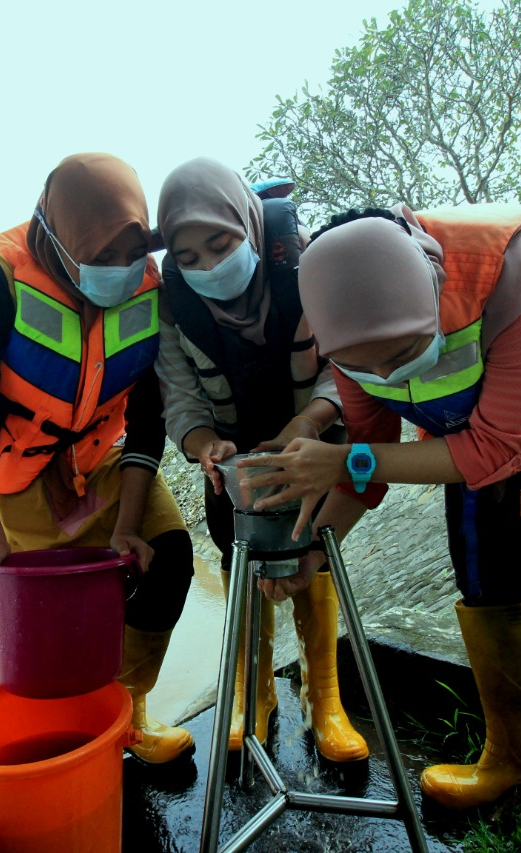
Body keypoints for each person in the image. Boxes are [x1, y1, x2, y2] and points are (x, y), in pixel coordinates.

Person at [242, 205, 521, 851]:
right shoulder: (348, 335)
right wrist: (308, 547)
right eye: (363, 365)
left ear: (431, 293)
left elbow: (495, 449)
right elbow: (368, 468)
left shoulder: (515, 272)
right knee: (484, 577)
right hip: (475, 430)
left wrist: (342, 458)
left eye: (400, 353)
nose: (389, 374)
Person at [0, 153, 195, 764]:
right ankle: (62, 737)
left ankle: (125, 715)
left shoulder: (150, 287)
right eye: (100, 259)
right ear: (54, 238)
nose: (120, 272)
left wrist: (130, 524)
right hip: (14, 480)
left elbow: (150, 415)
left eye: (131, 255)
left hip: (100, 464)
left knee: (168, 559)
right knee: (48, 627)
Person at [153, 157, 368, 762]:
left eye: (220, 244)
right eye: (188, 258)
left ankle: (324, 698)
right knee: (237, 554)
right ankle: (251, 692)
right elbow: (180, 397)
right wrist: (203, 446)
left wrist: (310, 422)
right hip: (235, 460)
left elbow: (348, 365)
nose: (208, 267)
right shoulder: (174, 304)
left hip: (315, 440)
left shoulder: (308, 267)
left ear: (248, 225)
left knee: (314, 552)